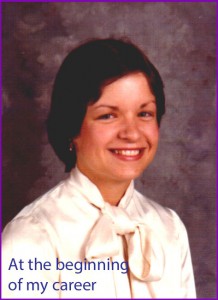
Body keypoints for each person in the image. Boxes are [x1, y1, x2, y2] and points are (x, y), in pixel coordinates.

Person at [2, 38, 196, 298]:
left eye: (144, 113)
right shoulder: (33, 236)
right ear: (72, 129)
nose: (132, 133)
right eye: (108, 115)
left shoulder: (170, 228)